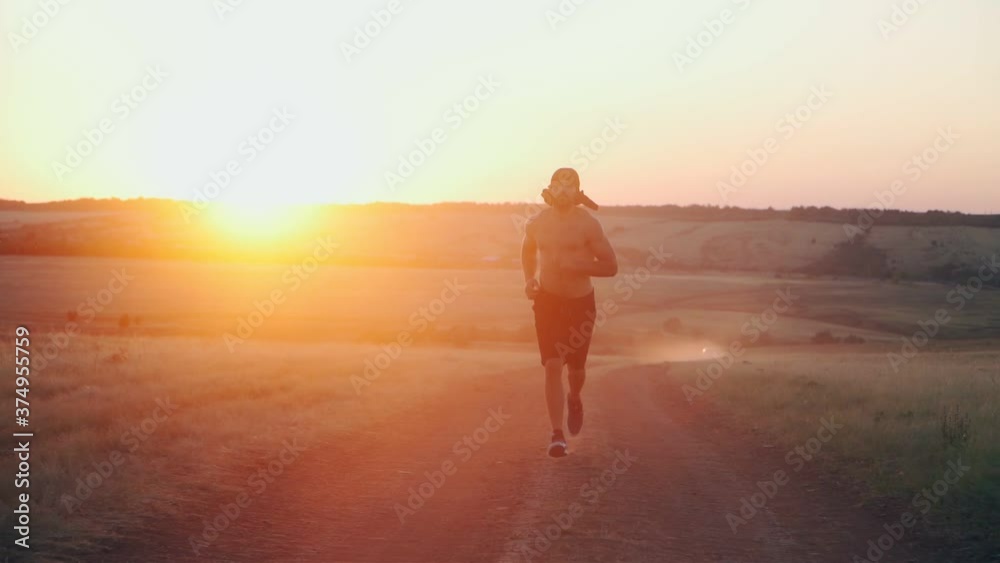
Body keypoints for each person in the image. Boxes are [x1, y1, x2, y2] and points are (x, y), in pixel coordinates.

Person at [521, 168, 618, 457]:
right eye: (557, 186)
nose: (562, 192)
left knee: (575, 370)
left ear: (577, 192)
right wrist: (529, 279)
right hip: (548, 302)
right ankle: (557, 435)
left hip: (580, 303)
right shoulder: (536, 223)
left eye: (569, 186)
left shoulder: (589, 225)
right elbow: (527, 251)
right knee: (552, 365)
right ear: (549, 188)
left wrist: (579, 266)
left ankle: (574, 397)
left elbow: (611, 266)